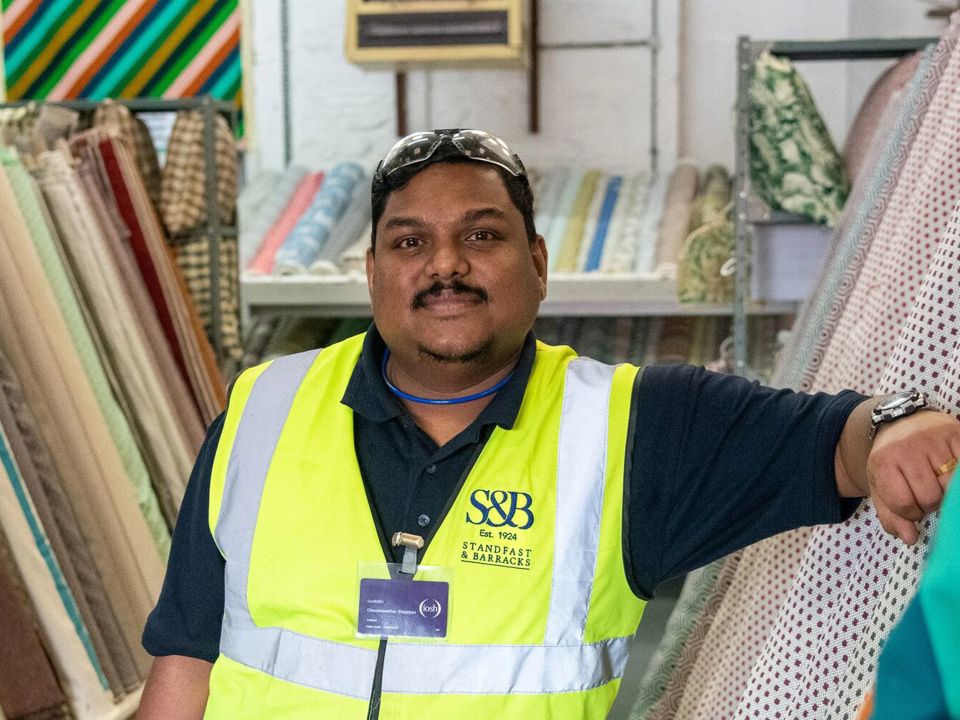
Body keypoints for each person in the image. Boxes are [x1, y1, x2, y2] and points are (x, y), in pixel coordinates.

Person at [138, 129, 960, 720]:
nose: (445, 264)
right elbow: (184, 670)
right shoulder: (262, 409)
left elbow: (830, 440)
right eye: (411, 241)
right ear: (374, 271)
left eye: (481, 236)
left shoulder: (632, 426)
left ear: (537, 264)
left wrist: (894, 428)